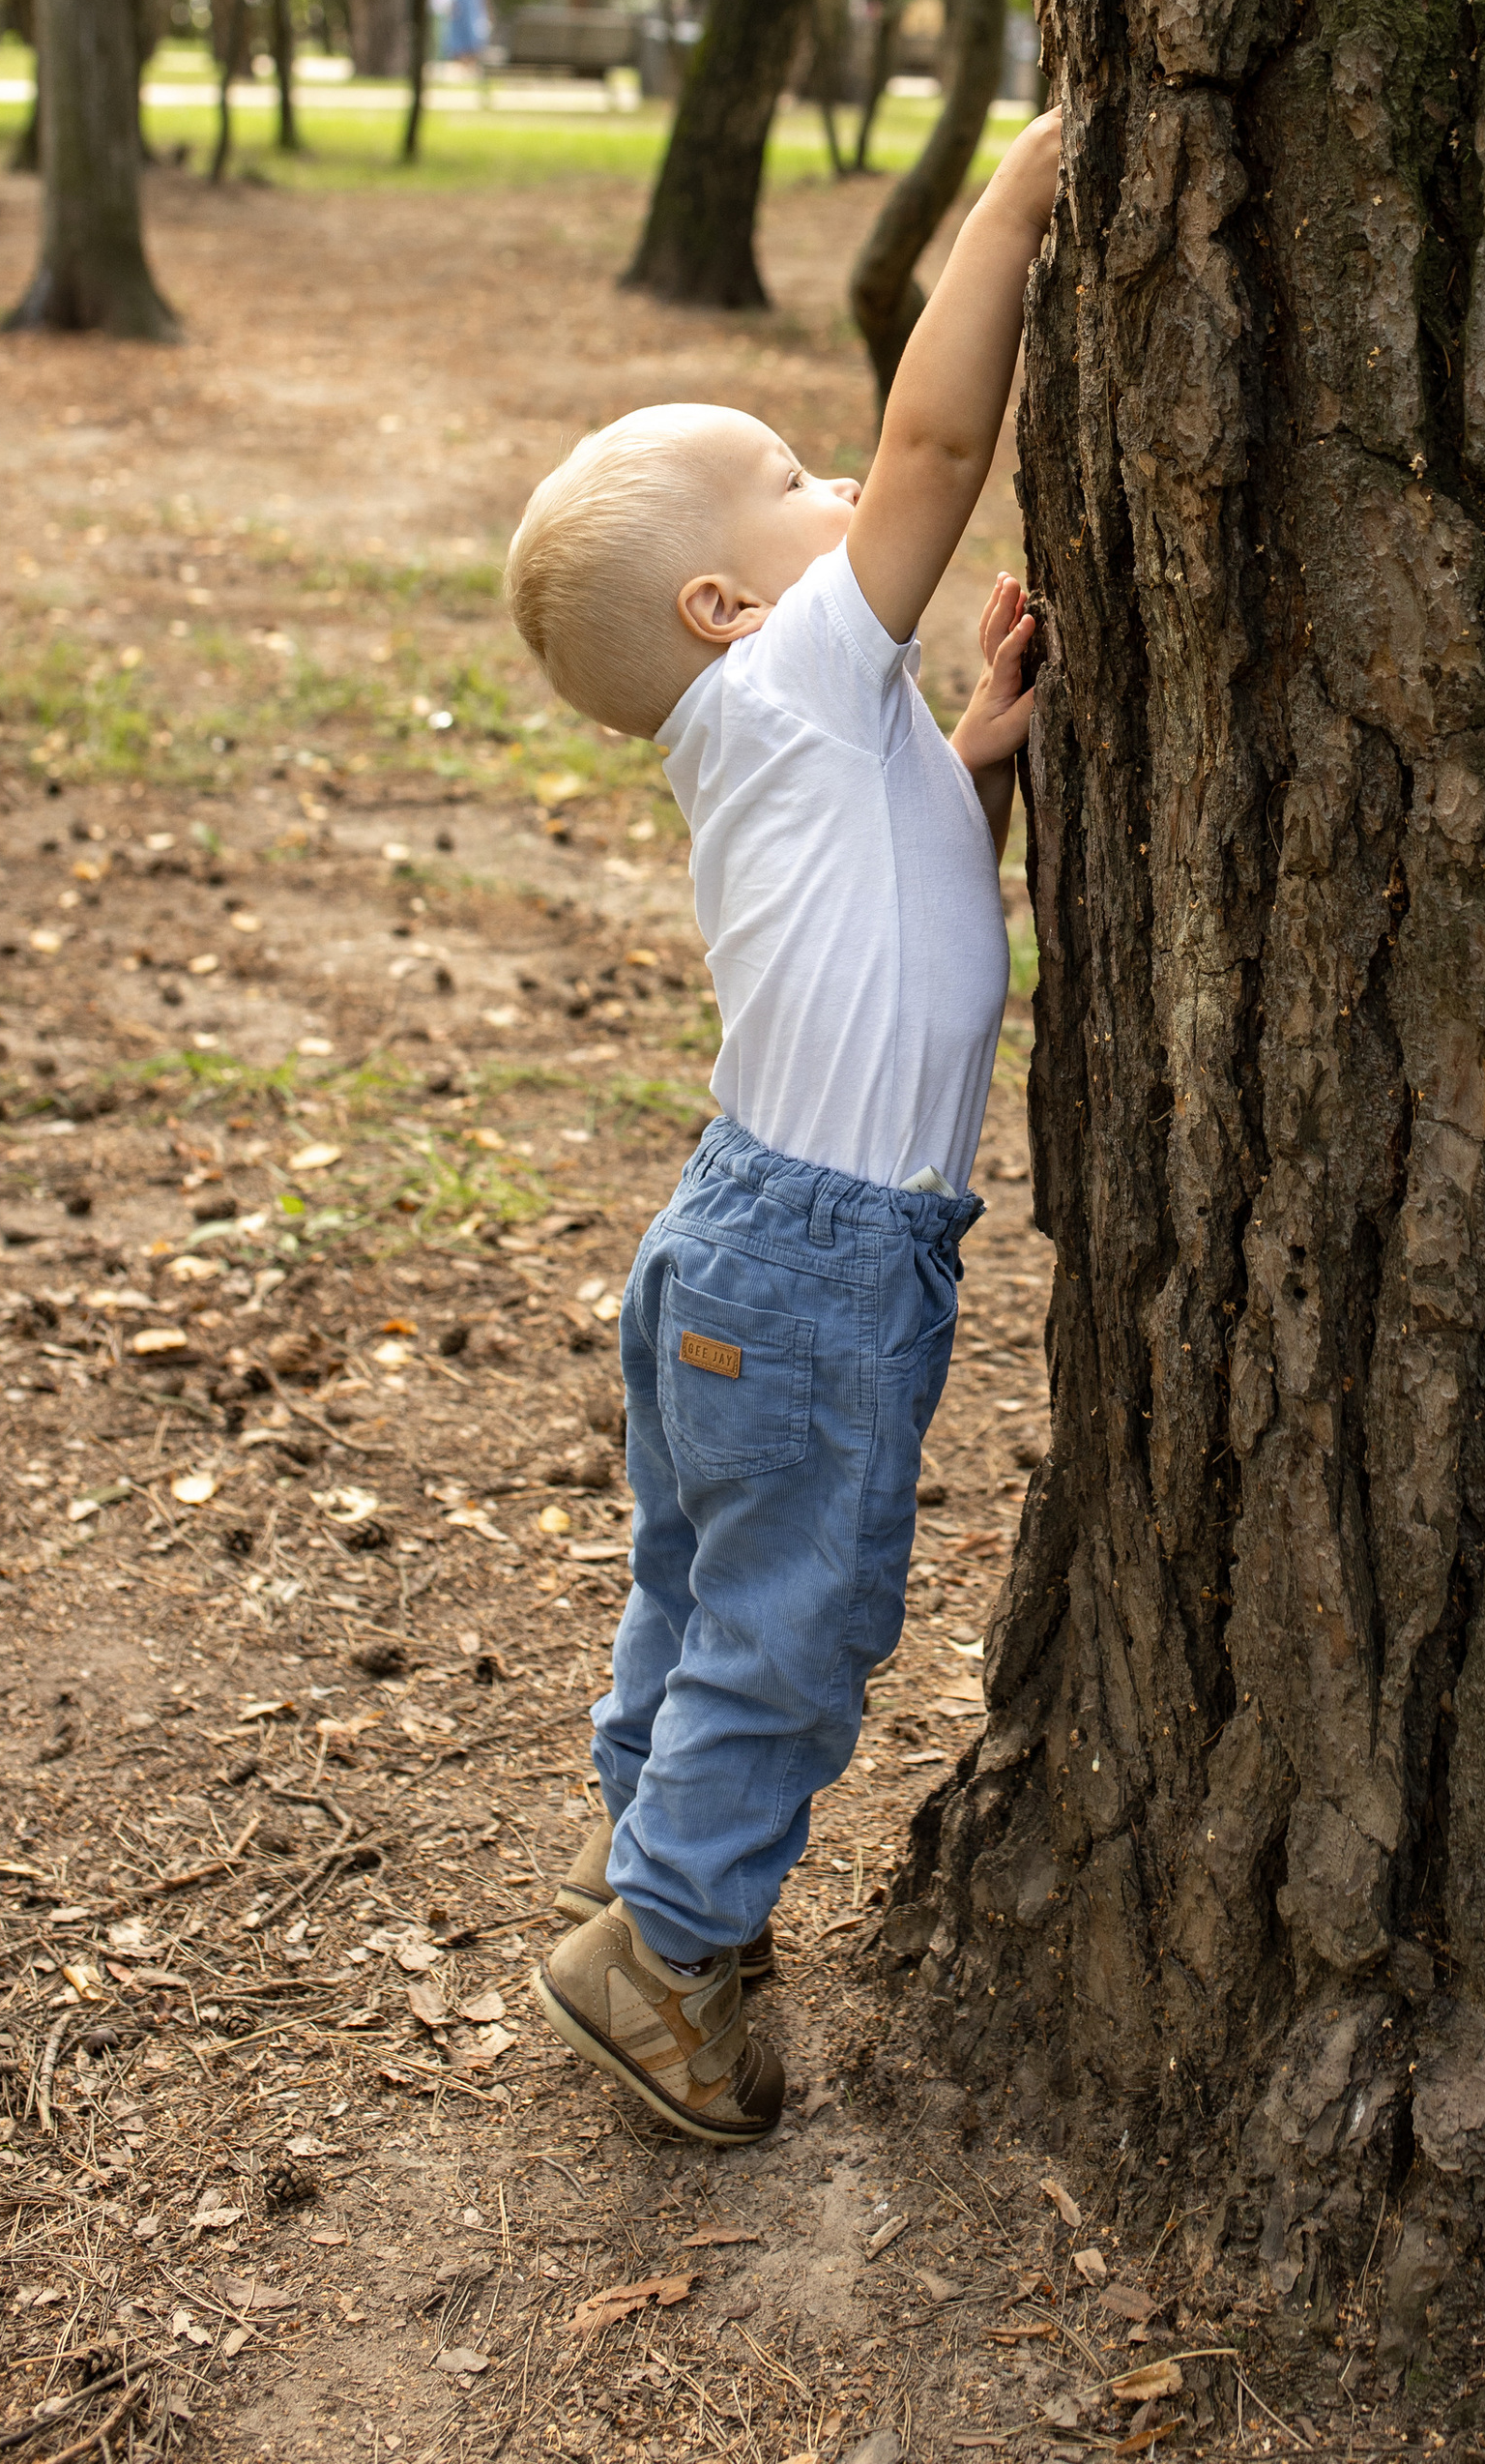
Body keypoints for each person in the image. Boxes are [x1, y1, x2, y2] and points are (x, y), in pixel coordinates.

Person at [501, 106, 1062, 2146]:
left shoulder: (807, 727)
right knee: (795, 1623)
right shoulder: (796, 682)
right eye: (786, 486)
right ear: (733, 608)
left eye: (813, 457)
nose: (842, 479)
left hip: (740, 1239)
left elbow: (901, 899)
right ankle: (662, 1956)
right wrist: (1009, 199)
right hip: (816, 1260)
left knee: (697, 1587)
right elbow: (930, 452)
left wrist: (981, 750)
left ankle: (628, 1858)